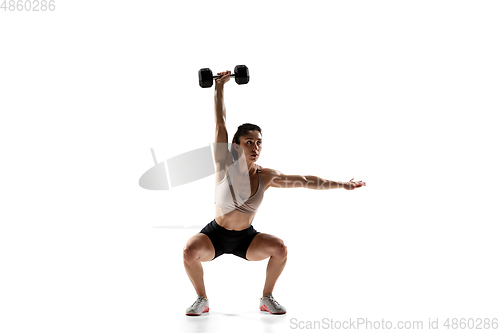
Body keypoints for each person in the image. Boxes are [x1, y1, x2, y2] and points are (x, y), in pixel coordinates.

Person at [183, 70, 366, 316]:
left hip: (246, 239)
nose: (255, 147)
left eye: (258, 142)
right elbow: (220, 122)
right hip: (216, 235)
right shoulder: (223, 163)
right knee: (189, 251)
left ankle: (266, 298)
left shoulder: (265, 176)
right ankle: (201, 299)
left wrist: (343, 184)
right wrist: (219, 87)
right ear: (236, 145)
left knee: (280, 248)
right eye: (249, 142)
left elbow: (305, 180)